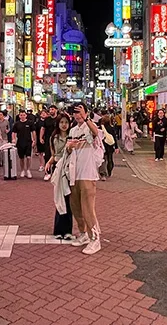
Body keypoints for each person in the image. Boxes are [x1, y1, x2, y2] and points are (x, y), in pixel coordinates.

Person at [67, 103, 102, 255]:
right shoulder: (73, 130)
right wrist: (69, 147)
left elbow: (95, 133)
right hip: (74, 173)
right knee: (75, 206)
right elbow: (67, 148)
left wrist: (87, 118)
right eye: (75, 113)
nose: (78, 115)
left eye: (80, 112)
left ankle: (95, 239)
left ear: (86, 113)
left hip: (88, 173)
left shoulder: (91, 126)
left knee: (88, 207)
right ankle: (84, 234)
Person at [45, 114, 74, 240]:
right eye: (61, 122)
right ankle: (58, 230)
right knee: (58, 198)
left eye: (66, 122)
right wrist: (49, 162)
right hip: (58, 167)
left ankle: (68, 230)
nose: (64, 125)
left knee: (68, 200)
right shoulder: (53, 137)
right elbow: (54, 154)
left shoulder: (72, 137)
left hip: (68, 169)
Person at [11, 111, 36, 178]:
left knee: (28, 157)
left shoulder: (30, 123)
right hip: (20, 142)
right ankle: (22, 170)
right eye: (21, 115)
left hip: (28, 142)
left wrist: (34, 140)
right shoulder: (16, 124)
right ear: (19, 116)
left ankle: (28, 170)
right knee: (21, 158)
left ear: (26, 115)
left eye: (24, 115)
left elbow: (33, 131)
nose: (22, 116)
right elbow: (13, 132)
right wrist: (13, 139)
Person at [39, 105, 59, 181]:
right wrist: (41, 137)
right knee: (47, 156)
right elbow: (43, 129)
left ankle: (55, 172)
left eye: (53, 109)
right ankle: (47, 173)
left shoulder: (59, 119)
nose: (51, 111)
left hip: (57, 140)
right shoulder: (47, 120)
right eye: (50, 109)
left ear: (56, 110)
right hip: (48, 140)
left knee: (56, 156)